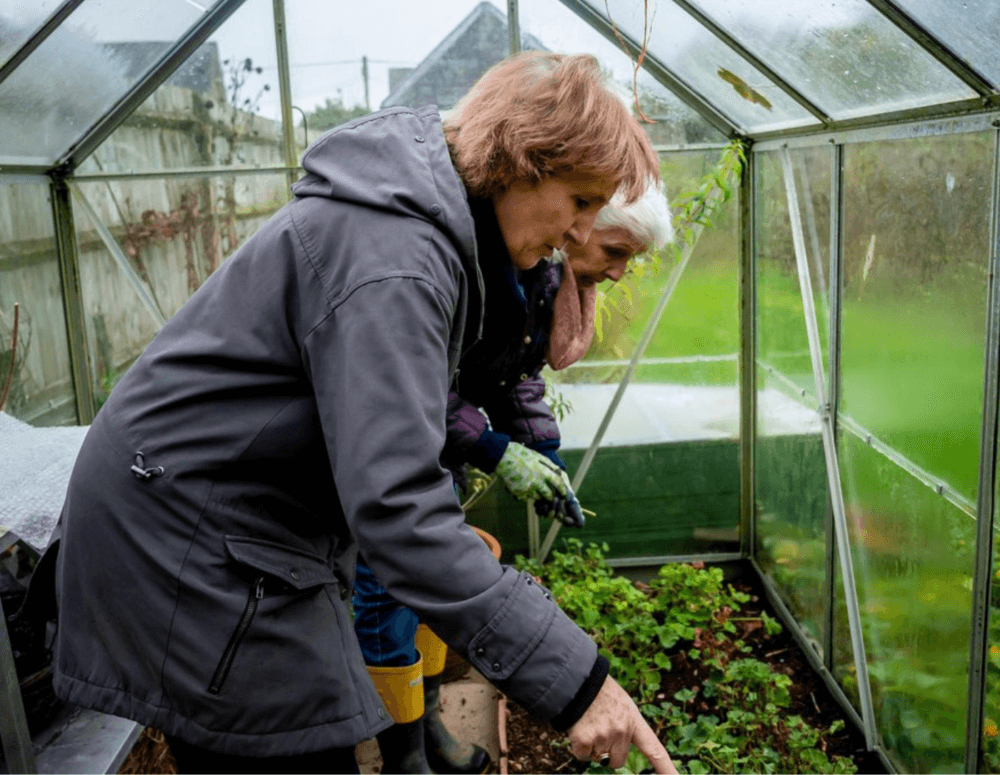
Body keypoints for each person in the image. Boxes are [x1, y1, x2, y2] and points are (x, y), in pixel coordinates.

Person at [41, 51, 677, 774]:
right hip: (185, 540)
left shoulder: (426, 228)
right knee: (297, 747)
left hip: (215, 519)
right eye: (583, 199)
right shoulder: (397, 259)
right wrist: (579, 685)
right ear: (526, 161)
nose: (580, 230)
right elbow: (399, 507)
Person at [352, 181, 675, 774]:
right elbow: (422, 385)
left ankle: (426, 728)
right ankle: (402, 756)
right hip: (390, 454)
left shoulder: (548, 279)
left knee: (424, 592)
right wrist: (499, 450)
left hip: (438, 451)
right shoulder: (480, 264)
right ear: (576, 223)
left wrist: (541, 449)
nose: (620, 272)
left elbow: (514, 370)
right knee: (384, 591)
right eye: (613, 251)